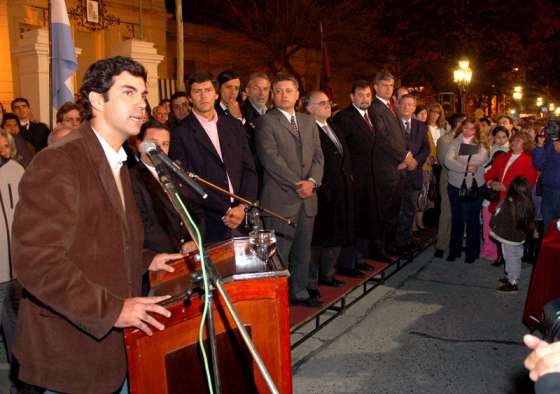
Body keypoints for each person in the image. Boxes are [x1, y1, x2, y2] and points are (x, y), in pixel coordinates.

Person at [11, 56, 183, 393]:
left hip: (115, 354)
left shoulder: (120, 162)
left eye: (143, 95)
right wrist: (113, 310)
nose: (141, 104)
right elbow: (36, 262)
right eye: (128, 92)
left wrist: (149, 259)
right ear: (96, 100)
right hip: (71, 356)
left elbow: (106, 239)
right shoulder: (59, 161)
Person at [255, 74, 324, 307]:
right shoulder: (267, 121)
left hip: (307, 198)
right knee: (279, 253)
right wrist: (299, 184)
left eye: (288, 91)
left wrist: (312, 182)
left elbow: (318, 156)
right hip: (281, 199)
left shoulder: (307, 121)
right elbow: (270, 159)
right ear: (273, 96)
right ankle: (278, 298)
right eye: (278, 91)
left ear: (297, 95)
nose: (283, 95)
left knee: (303, 250)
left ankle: (300, 291)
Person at [169, 72, 257, 243]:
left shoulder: (234, 126)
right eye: (197, 91)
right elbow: (187, 181)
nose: (203, 96)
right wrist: (224, 211)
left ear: (216, 94)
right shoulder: (180, 133)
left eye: (208, 90)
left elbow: (249, 170)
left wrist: (243, 206)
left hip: (242, 216)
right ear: (189, 97)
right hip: (209, 219)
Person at [131, 120, 204, 295]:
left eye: (165, 144)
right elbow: (144, 225)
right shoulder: (131, 177)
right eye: (155, 144)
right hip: (157, 264)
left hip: (187, 261)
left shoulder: (176, 174)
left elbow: (197, 213)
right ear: (140, 144)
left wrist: (194, 240)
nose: (161, 150)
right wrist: (176, 249)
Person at [304, 90, 353, 298]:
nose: (327, 106)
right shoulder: (308, 129)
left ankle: (328, 273)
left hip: (340, 189)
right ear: (309, 108)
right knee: (318, 238)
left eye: (328, 102)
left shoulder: (334, 127)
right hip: (322, 191)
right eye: (321, 103)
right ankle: (311, 281)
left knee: (336, 233)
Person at [331, 80, 377, 275]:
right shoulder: (344, 117)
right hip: (353, 179)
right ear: (352, 97)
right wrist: (348, 175)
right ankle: (347, 263)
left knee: (365, 219)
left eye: (367, 95)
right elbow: (342, 150)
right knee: (352, 221)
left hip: (370, 178)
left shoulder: (372, 116)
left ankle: (359, 258)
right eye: (360, 95)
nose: (364, 99)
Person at [370, 71, 417, 258]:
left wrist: (407, 155)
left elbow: (401, 135)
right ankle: (379, 249)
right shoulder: (375, 108)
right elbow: (384, 138)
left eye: (391, 85)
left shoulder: (391, 106)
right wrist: (405, 157)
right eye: (384, 85)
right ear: (375, 87)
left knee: (394, 210)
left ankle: (391, 245)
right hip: (386, 168)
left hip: (398, 168)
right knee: (384, 210)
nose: (388, 89)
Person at [484, 131, 538, 265]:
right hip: (499, 199)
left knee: (511, 230)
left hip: (515, 201)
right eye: (513, 140)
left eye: (518, 141)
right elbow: (489, 174)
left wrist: (506, 188)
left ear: (525, 144)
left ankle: (511, 262)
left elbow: (528, 183)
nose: (514, 143)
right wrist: (491, 183)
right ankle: (500, 255)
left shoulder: (529, 160)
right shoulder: (502, 157)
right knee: (498, 227)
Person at [0, 130, 25, 392]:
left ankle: (19, 384)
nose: (2, 151)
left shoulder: (16, 171)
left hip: (14, 273)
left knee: (16, 336)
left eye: (6, 146)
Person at [445, 118, 489, 263]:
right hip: (455, 185)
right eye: (465, 128)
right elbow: (448, 161)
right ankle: (454, 250)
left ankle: (472, 252)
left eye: (471, 128)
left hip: (475, 185)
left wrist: (459, 157)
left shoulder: (482, 143)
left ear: (476, 130)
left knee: (472, 219)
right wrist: (465, 165)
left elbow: (480, 159)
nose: (467, 131)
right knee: (457, 218)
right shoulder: (455, 141)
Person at [394, 94, 429, 254]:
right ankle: (395, 242)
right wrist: (402, 162)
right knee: (396, 209)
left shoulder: (420, 125)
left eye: (411, 105)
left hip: (414, 173)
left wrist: (415, 161)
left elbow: (425, 148)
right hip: (397, 172)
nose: (407, 107)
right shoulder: (392, 123)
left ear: (415, 108)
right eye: (404, 104)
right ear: (399, 105)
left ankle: (405, 240)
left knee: (409, 208)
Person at [490, 176, 536, 292]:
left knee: (510, 258)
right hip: (519, 237)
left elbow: (495, 218)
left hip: (507, 237)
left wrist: (494, 220)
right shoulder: (528, 204)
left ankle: (512, 282)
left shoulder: (507, 203)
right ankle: (512, 276)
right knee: (516, 256)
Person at [434, 113, 465, 258]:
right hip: (449, 179)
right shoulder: (444, 140)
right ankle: (441, 244)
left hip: (466, 180)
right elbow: (445, 162)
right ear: (457, 124)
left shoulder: (469, 139)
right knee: (447, 211)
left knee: (462, 212)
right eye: (463, 123)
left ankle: (457, 243)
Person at [532, 124, 560, 233]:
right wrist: (539, 145)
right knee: (548, 229)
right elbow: (539, 164)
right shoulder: (550, 145)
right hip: (548, 191)